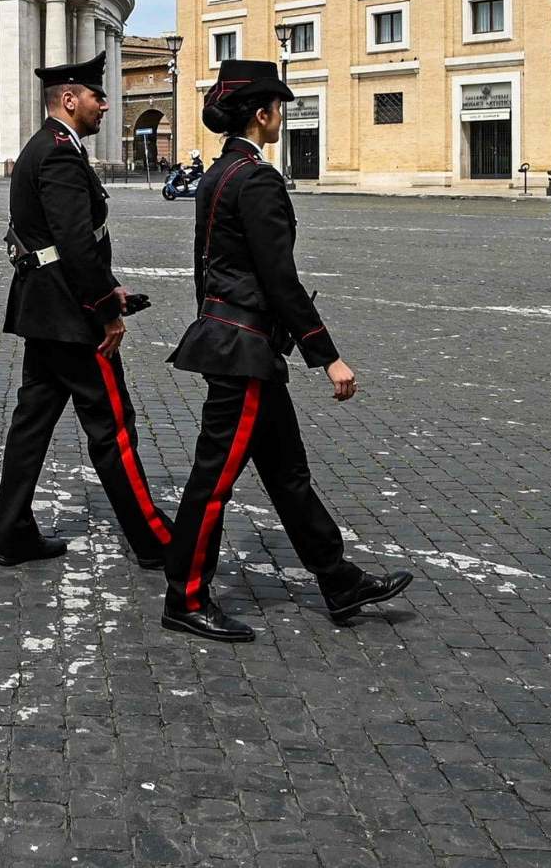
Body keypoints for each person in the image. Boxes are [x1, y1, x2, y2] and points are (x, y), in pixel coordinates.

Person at [159, 59, 413, 642]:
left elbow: (206, 265)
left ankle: (337, 580)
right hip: (246, 349)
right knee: (213, 480)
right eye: (279, 106)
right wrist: (328, 356)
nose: (282, 115)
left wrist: (210, 323)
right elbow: (281, 280)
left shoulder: (219, 174)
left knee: (288, 474)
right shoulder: (258, 179)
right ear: (262, 113)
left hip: (234, 341)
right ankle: (186, 597)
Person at [0, 52, 176, 572]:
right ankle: (152, 538)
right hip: (73, 319)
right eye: (97, 96)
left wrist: (111, 287)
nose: (105, 104)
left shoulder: (44, 149)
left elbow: (64, 241)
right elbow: (74, 242)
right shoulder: (58, 155)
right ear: (69, 99)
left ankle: (14, 534)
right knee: (113, 427)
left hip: (45, 309)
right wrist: (103, 310)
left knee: (31, 426)